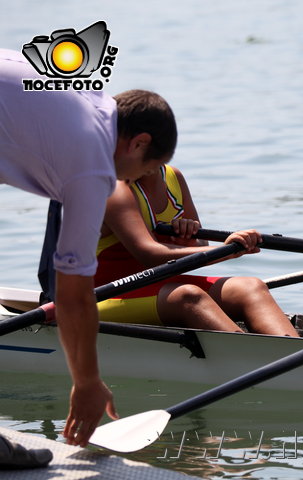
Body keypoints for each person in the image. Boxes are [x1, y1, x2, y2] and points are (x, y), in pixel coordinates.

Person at [0, 48, 178, 453]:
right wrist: (87, 382)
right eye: (148, 170)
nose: (138, 179)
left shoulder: (87, 94)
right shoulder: (93, 162)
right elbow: (74, 293)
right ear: (139, 143)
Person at [94, 158, 298, 336]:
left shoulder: (173, 177)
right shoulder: (113, 187)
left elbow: (201, 245)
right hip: (99, 296)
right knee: (188, 296)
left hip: (160, 288)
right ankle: (260, 368)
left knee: (250, 287)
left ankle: (294, 358)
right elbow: (149, 254)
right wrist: (229, 251)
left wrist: (189, 242)